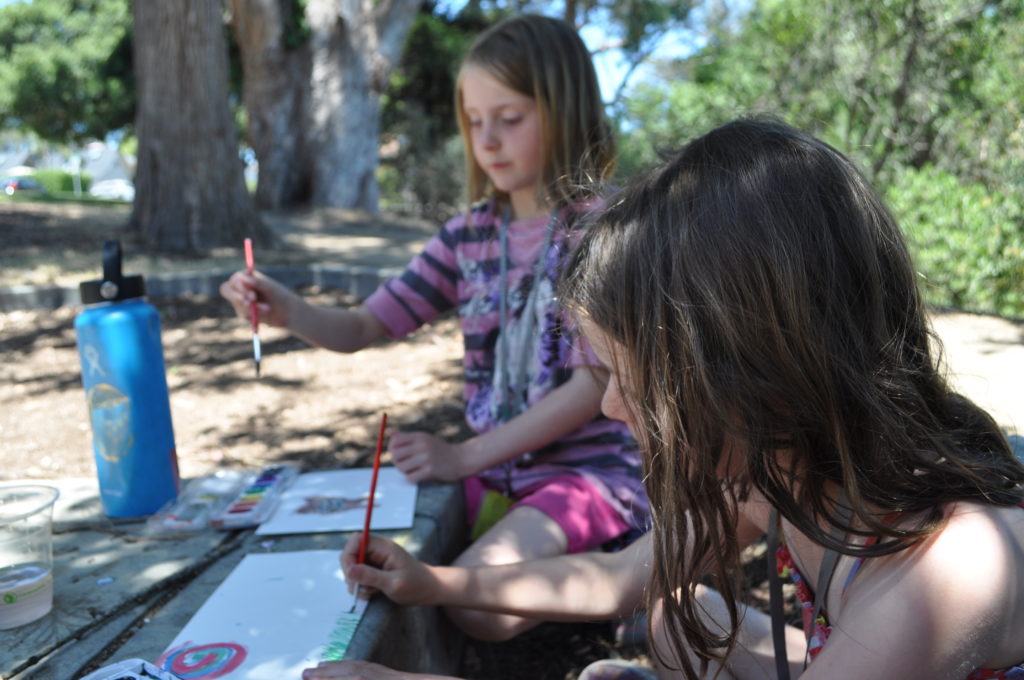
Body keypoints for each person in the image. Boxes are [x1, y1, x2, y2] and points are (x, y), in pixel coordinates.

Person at [302, 118, 1024, 680]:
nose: (611, 407)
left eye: (629, 379)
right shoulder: (767, 474)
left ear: (743, 373)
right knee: (675, 614)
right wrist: (433, 582)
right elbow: (616, 577)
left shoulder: (945, 572)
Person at [220, 13, 649, 642]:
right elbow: (366, 324)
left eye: (510, 118)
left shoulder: (599, 230)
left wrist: (462, 456)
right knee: (364, 551)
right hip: (497, 475)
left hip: (587, 477)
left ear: (566, 109)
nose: (489, 141)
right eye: (475, 122)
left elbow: (590, 392)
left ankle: (631, 579)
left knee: (476, 608)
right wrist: (289, 311)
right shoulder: (468, 235)